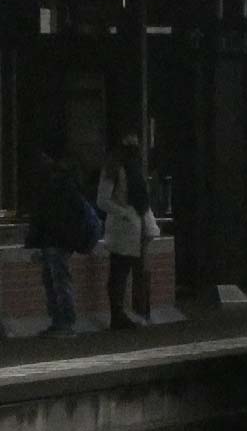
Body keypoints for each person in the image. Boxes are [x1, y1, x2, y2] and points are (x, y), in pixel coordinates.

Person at [97, 135, 160, 330]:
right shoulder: (126, 169)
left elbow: (103, 200)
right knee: (128, 272)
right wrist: (126, 213)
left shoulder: (119, 168)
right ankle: (131, 313)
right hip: (130, 226)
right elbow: (103, 201)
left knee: (123, 272)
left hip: (131, 227)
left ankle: (127, 313)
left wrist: (127, 214)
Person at [24, 151, 83, 337]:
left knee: (57, 282)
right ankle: (61, 322)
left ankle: (63, 322)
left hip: (54, 240)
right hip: (60, 240)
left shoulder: (52, 187)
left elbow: (44, 216)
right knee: (56, 281)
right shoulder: (64, 184)